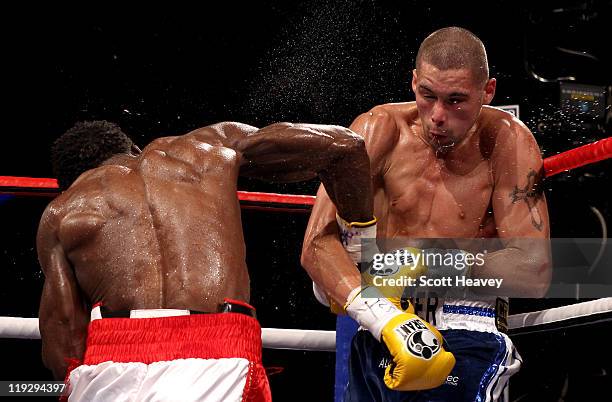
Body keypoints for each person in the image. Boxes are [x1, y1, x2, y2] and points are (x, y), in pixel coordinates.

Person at [37, 119, 379, 401]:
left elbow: (64, 347)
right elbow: (345, 146)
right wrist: (359, 244)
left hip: (108, 363)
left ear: (69, 184)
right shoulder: (202, 148)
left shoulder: (62, 211)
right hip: (216, 349)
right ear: (135, 150)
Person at [302, 26, 552, 402]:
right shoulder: (377, 130)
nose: (437, 115)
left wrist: (435, 262)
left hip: (464, 327)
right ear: (414, 81)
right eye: (427, 95)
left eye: (456, 100)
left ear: (489, 92)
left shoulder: (507, 141)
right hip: (380, 327)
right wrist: (380, 315)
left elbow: (536, 272)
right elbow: (316, 245)